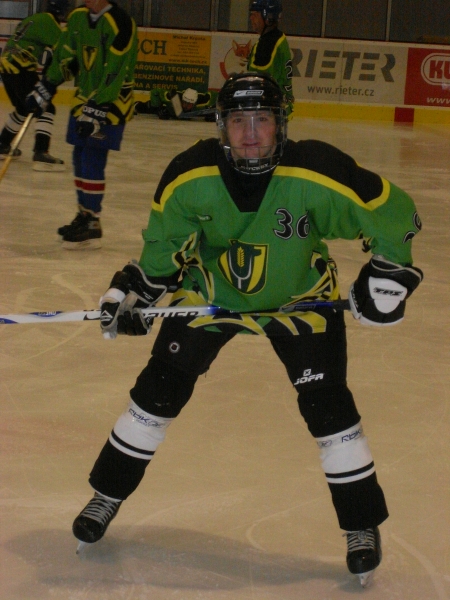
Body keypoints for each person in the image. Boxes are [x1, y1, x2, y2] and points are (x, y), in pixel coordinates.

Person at [71, 73, 423, 587]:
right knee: (156, 394)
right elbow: (164, 249)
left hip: (300, 298)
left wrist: (387, 276)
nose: (251, 133)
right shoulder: (189, 175)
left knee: (329, 409)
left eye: (262, 119)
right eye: (239, 120)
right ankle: (107, 495)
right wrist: (133, 293)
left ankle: (360, 524)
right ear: (222, 126)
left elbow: (395, 214)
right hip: (212, 294)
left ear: (281, 124)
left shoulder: (316, 171)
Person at [25, 0, 138, 250]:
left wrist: (98, 108)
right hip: (83, 98)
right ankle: (84, 213)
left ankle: (93, 221)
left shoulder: (121, 22)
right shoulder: (77, 17)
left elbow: (117, 69)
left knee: (92, 157)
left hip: (111, 102)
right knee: (79, 155)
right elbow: (66, 56)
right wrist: (46, 86)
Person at [0, 0, 67, 171]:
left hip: (6, 66)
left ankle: (2, 144)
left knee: (23, 108)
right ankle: (41, 153)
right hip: (20, 68)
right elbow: (62, 52)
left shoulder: (34, 18)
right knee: (46, 107)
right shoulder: (50, 23)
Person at [248, 0, 294, 117]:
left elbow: (257, 82)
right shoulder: (277, 38)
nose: (251, 18)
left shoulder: (268, 44)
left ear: (268, 18)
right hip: (278, 108)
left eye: (255, 14)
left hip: (268, 110)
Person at [135, 87, 217, 121]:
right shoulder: (172, 98)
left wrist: (214, 111)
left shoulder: (203, 102)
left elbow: (215, 95)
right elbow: (155, 92)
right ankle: (135, 106)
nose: (186, 106)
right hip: (168, 108)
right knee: (149, 107)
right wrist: (158, 108)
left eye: (189, 104)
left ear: (194, 104)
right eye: (184, 103)